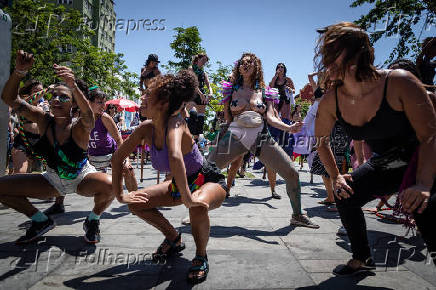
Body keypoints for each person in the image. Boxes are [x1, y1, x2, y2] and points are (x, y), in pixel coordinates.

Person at [314, 22, 436, 275]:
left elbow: (429, 136)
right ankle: (362, 258)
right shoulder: (331, 101)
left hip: (426, 159)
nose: (326, 60)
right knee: (345, 194)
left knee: (424, 209)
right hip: (389, 162)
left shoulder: (399, 82)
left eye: (333, 51)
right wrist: (336, 176)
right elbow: (321, 143)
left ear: (357, 54)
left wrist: (424, 184)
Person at [112, 70, 227, 284]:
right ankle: (174, 238)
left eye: (148, 94)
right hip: (179, 182)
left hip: (207, 179)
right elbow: (117, 158)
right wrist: (120, 195)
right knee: (136, 203)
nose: (142, 98)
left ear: (164, 103)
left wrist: (189, 198)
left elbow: (175, 155)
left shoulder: (176, 122)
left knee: (197, 206)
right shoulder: (145, 128)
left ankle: (201, 256)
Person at [0, 51, 114, 244]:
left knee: (112, 185)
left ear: (73, 105)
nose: (56, 100)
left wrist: (73, 86)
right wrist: (19, 71)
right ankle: (40, 220)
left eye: (63, 97)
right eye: (53, 96)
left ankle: (93, 220)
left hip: (81, 179)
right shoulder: (42, 119)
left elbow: (88, 115)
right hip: (52, 180)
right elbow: (9, 99)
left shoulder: (80, 125)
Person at [208, 52, 319, 228]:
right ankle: (195, 211)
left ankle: (297, 215)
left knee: (292, 173)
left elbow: (271, 117)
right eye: (243, 62)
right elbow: (228, 119)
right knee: (205, 172)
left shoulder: (264, 91)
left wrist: (288, 128)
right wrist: (220, 139)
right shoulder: (231, 89)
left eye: (250, 63)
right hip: (235, 135)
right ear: (238, 67)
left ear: (256, 67)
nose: (246, 65)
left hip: (261, 137)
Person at [44, 88, 139, 215]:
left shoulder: (104, 118)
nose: (103, 105)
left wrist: (125, 159)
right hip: (90, 158)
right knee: (64, 168)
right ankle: (58, 204)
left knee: (129, 170)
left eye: (104, 102)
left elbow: (118, 139)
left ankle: (137, 202)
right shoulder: (78, 118)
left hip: (110, 155)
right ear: (88, 103)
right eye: (100, 102)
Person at [11, 79, 44, 174]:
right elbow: (32, 99)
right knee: (20, 172)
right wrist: (47, 90)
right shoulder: (24, 102)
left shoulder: (44, 105)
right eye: (36, 91)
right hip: (23, 138)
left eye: (41, 90)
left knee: (37, 173)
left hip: (39, 141)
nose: (40, 93)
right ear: (30, 91)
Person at [189, 54, 213, 142]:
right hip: (193, 95)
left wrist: (210, 93)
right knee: (193, 115)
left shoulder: (204, 73)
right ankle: (188, 136)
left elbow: (209, 85)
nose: (204, 62)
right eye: (203, 60)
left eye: (205, 61)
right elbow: (193, 83)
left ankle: (195, 144)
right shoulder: (191, 68)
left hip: (201, 97)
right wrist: (200, 93)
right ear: (197, 59)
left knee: (200, 121)